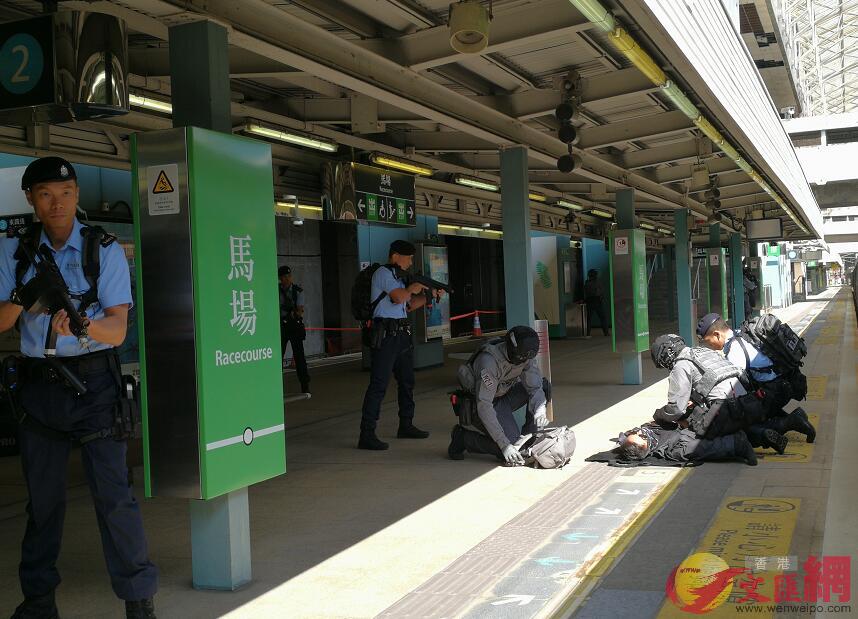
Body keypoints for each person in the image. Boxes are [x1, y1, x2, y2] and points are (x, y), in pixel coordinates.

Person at [0, 158, 157, 619]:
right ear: (30, 198)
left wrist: (79, 327)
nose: (57, 202)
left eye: (66, 192)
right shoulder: (13, 250)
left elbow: (118, 329)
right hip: (38, 388)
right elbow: (3, 321)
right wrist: (24, 297)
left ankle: (138, 600)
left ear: (77, 196)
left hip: (93, 385)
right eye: (46, 193)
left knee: (114, 497)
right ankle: (38, 602)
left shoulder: (101, 249)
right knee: (43, 504)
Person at [649, 333, 812, 452]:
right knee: (735, 423)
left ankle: (782, 425)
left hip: (727, 406)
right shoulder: (702, 352)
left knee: (701, 429)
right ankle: (782, 425)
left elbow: (676, 409)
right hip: (748, 397)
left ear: (666, 355)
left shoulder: (681, 365)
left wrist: (659, 415)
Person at [358, 240, 438, 450]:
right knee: (378, 385)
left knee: (407, 382)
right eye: (408, 258)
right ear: (395, 256)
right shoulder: (383, 274)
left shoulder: (399, 278)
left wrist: (428, 295)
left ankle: (406, 424)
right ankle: (366, 433)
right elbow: (398, 297)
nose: (411, 263)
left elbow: (409, 304)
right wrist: (413, 288)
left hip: (401, 334)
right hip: (385, 335)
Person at [697, 313, 815, 442]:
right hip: (786, 383)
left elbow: (735, 389)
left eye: (708, 342)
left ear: (717, 335)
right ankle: (795, 417)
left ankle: (790, 422)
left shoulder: (734, 351)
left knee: (743, 416)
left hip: (778, 390)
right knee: (756, 402)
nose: (710, 346)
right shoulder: (741, 334)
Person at [448, 325, 551, 465]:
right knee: (512, 451)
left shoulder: (524, 355)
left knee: (544, 386)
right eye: (522, 358)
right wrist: (504, 445)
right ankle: (464, 438)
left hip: (503, 396)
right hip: (481, 405)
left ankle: (529, 439)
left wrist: (540, 410)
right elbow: (484, 406)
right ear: (513, 350)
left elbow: (535, 386)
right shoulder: (489, 362)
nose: (525, 361)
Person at [616, 422, 759, 466]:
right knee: (697, 448)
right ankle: (738, 443)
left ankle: (763, 430)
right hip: (688, 434)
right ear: (645, 448)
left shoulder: (644, 432)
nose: (641, 433)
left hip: (695, 422)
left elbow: (624, 439)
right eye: (641, 437)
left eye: (637, 433)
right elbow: (704, 447)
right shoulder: (672, 450)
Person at [278, 265, 309, 393]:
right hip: (281, 326)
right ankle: (276, 384)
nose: (287, 279)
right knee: (278, 356)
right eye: (284, 277)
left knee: (299, 357)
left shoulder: (297, 291)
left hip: (294, 326)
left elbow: (300, 311)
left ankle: (305, 385)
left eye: (289, 276)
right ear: (280, 278)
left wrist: (293, 314)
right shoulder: (275, 291)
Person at [584, 268, 610, 337]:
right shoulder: (598, 282)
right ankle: (606, 333)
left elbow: (586, 292)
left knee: (588, 319)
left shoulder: (587, 283)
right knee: (603, 317)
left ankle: (587, 333)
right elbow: (600, 292)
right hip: (598, 301)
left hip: (589, 301)